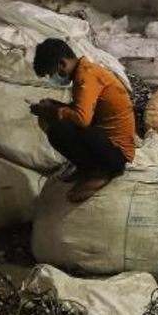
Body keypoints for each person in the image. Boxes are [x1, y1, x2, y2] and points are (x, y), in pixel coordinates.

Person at [28, 38, 135, 203]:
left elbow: (82, 119)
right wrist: (54, 106)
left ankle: (101, 172)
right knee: (54, 115)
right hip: (105, 144)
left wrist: (52, 111)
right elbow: (82, 109)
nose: (52, 78)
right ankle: (86, 168)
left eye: (51, 74)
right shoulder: (83, 72)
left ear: (61, 64)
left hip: (115, 155)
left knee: (58, 129)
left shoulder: (86, 76)